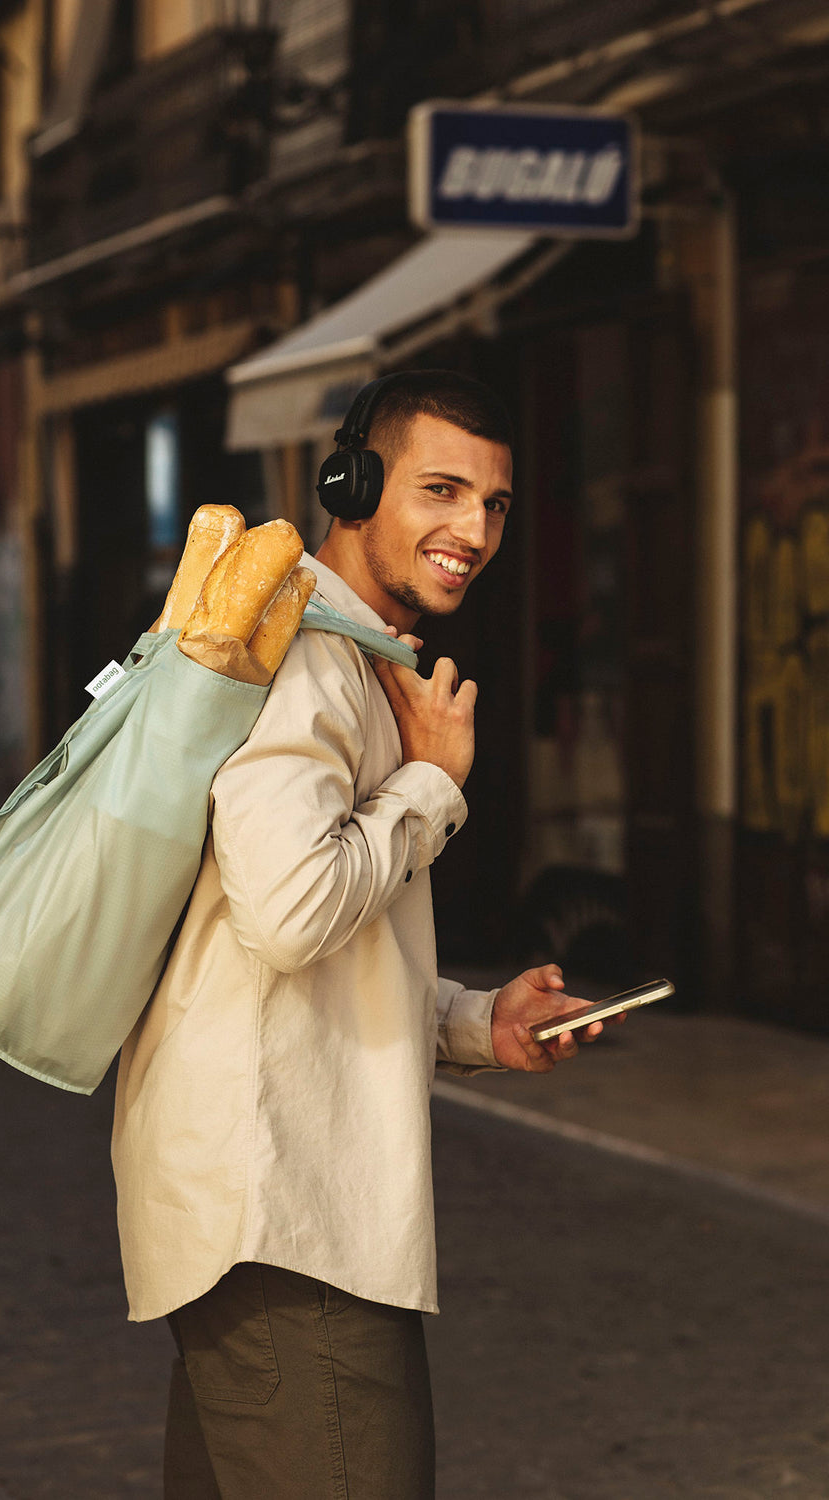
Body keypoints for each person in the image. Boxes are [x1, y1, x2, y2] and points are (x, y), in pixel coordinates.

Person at [111, 369, 614, 1498]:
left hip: (268, 1216)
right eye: (440, 490)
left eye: (493, 502)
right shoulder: (302, 659)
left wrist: (482, 1022)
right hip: (288, 1220)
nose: (472, 530)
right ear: (351, 484)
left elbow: (305, 946)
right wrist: (430, 783)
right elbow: (294, 916)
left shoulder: (344, 653)